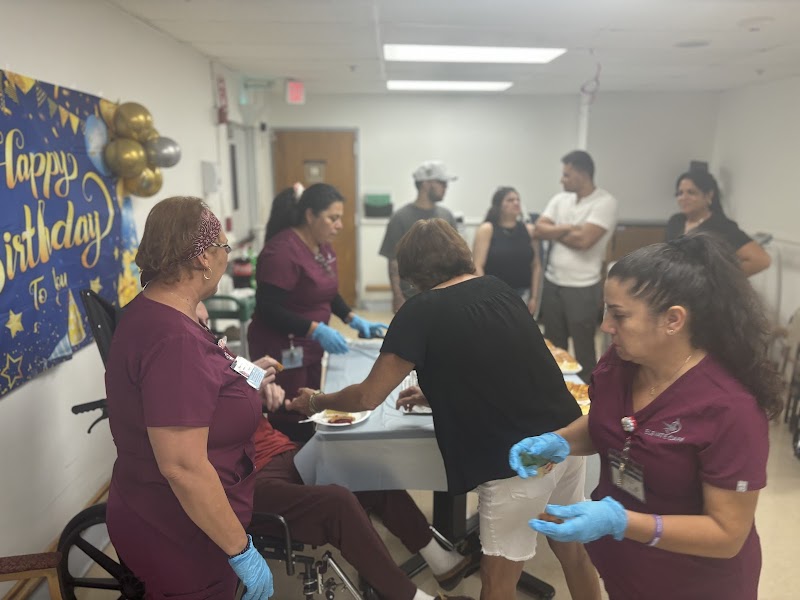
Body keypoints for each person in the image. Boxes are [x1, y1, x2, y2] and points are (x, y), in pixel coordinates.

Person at [287, 219, 601, 600]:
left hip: (520, 462)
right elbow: (501, 367)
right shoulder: (497, 288)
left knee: (497, 581)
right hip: (565, 439)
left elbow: (368, 397)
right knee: (574, 555)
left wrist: (318, 400)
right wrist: (436, 391)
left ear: (413, 273)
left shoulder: (421, 311)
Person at [509, 232, 783, 600]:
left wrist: (622, 521)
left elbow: (727, 534)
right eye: (607, 310)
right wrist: (559, 441)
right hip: (627, 568)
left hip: (693, 583)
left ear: (673, 320)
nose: (606, 326)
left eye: (619, 315)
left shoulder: (728, 409)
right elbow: (609, 424)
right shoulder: (623, 361)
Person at [105, 197, 276, 599]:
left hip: (166, 513)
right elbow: (182, 466)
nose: (226, 257)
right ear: (202, 258)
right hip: (177, 529)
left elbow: (206, 378)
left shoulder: (159, 312)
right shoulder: (175, 340)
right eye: (224, 247)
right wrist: (241, 550)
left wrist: (249, 377)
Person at [249, 414, 478, 600]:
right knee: (337, 504)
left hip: (282, 450)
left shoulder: (226, 359)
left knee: (369, 471)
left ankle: (441, 561)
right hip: (248, 478)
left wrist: (265, 390)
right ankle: (411, 597)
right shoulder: (213, 376)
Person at [247, 183, 387, 442]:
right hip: (280, 347)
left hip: (309, 344)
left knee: (310, 401)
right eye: (333, 218)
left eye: (340, 218)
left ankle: (308, 454)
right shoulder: (281, 252)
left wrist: (351, 318)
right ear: (310, 216)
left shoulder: (321, 246)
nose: (340, 225)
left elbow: (327, 289)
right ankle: (288, 460)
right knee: (287, 408)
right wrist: (316, 328)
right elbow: (268, 309)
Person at [535, 150, 618, 382]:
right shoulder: (561, 199)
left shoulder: (605, 202)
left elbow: (584, 241)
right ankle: (556, 393)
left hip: (582, 287)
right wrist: (568, 228)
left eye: (567, 175)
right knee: (553, 348)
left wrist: (556, 231)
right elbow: (539, 229)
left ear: (582, 173)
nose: (562, 180)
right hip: (553, 284)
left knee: (583, 352)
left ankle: (590, 399)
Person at [379, 161, 458, 313]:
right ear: (426, 184)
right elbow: (393, 261)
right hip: (411, 297)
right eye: (442, 183)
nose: (446, 188)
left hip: (445, 295)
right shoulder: (400, 218)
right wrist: (397, 296)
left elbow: (456, 257)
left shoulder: (447, 216)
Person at [665, 169, 771, 276]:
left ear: (708, 195)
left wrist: (720, 281)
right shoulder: (675, 221)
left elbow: (761, 260)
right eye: (680, 193)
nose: (683, 198)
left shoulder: (721, 226)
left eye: (691, 192)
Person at [472, 186, 541, 316]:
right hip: (494, 295)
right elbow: (477, 265)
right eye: (510, 200)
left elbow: (536, 265)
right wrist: (487, 296)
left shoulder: (530, 230)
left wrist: (534, 297)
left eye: (517, 199)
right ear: (499, 205)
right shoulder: (487, 229)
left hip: (523, 293)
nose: (516, 203)